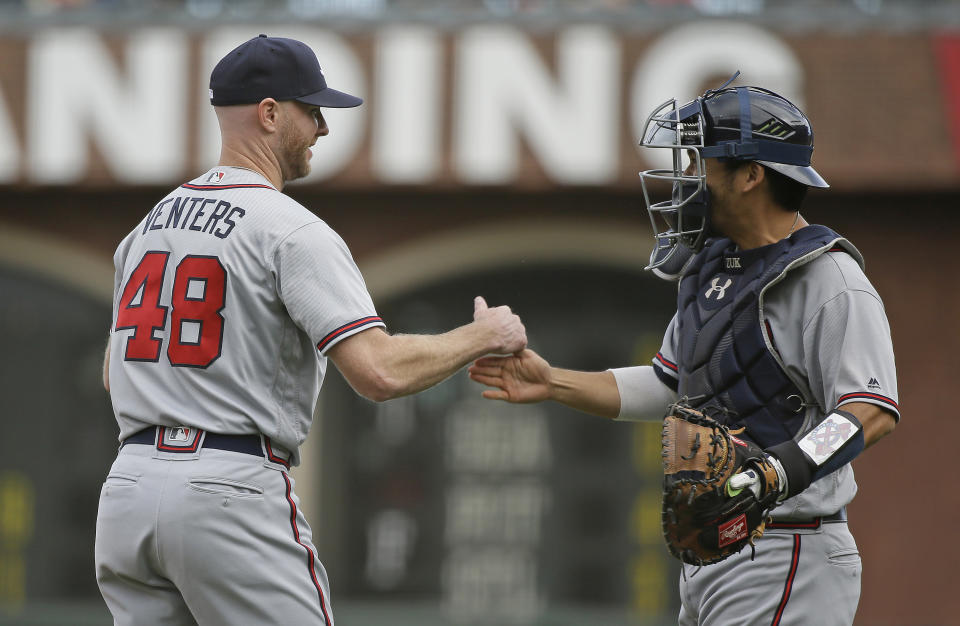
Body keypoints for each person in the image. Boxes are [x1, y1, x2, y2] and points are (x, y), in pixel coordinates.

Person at [95, 34, 526, 626]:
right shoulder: (289, 228)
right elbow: (377, 372)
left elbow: (114, 376)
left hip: (128, 490)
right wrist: (483, 336)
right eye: (312, 109)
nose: (323, 127)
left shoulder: (147, 227)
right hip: (230, 488)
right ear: (270, 114)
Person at [469, 80, 898, 625]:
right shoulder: (715, 270)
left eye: (701, 160)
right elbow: (671, 385)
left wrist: (772, 473)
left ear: (750, 174)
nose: (689, 177)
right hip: (714, 551)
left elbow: (870, 411)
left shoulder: (830, 279)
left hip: (791, 548)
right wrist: (553, 382)